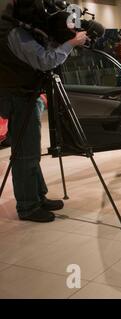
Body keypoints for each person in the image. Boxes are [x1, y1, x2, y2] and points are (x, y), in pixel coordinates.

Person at [0, 1, 88, 223]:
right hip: (19, 96)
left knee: (31, 149)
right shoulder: (15, 32)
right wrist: (71, 43)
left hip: (25, 93)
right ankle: (28, 206)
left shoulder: (20, 26)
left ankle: (38, 196)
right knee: (25, 152)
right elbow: (45, 60)